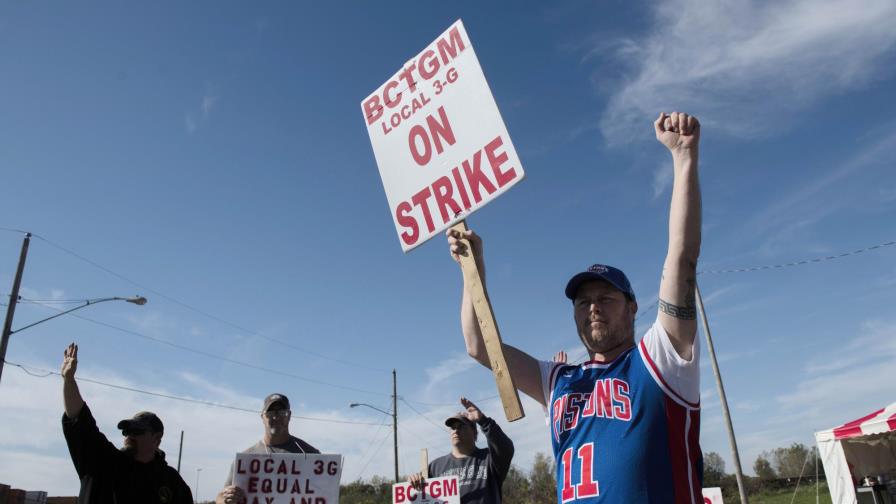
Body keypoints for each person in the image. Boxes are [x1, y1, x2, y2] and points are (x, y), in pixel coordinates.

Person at [446, 112, 704, 503]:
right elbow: (480, 347)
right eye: (583, 302)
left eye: (606, 298)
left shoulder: (660, 359)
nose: (593, 309)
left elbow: (681, 260)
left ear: (633, 308)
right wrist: (472, 271)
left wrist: (684, 158)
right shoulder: (559, 380)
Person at [60, 342, 193, 504]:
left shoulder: (172, 482)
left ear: (157, 439)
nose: (129, 435)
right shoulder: (104, 462)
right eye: (126, 431)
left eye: (137, 431)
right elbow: (79, 421)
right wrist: (69, 380)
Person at [215, 393, 320, 504]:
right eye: (270, 413)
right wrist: (226, 500)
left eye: (282, 412)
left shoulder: (310, 455)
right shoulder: (245, 459)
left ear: (289, 415)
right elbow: (221, 498)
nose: (276, 417)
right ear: (263, 417)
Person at [409, 397, 514, 504]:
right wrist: (414, 483)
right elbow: (422, 498)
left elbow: (506, 448)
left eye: (461, 426)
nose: (456, 430)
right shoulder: (436, 466)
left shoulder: (489, 458)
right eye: (452, 427)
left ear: (475, 433)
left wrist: (483, 420)